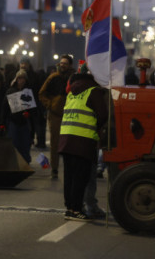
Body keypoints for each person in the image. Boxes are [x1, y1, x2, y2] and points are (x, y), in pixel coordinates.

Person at [59, 71, 109, 221]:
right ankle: (76, 209)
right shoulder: (93, 91)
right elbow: (103, 115)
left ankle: (69, 208)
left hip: (66, 138)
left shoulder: (71, 93)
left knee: (69, 177)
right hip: (83, 140)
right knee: (81, 178)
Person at [39, 55, 75, 179]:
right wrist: (50, 105)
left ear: (70, 65)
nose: (62, 65)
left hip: (71, 115)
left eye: (65, 63)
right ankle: (54, 169)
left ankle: (69, 170)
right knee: (55, 143)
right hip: (56, 115)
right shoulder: (53, 77)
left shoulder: (74, 78)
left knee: (69, 144)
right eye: (61, 63)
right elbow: (42, 93)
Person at [0, 69, 37, 163]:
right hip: (13, 121)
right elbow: (5, 108)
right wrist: (2, 123)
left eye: (24, 78)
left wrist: (29, 114)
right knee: (14, 144)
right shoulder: (11, 91)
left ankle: (24, 163)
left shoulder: (28, 91)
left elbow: (33, 109)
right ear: (16, 79)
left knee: (25, 144)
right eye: (20, 78)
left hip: (25, 122)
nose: (22, 80)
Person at [20, 58, 46, 149]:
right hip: (22, 103)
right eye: (22, 63)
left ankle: (35, 140)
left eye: (25, 63)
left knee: (34, 123)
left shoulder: (34, 75)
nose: (23, 65)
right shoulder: (17, 75)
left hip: (33, 103)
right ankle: (28, 140)